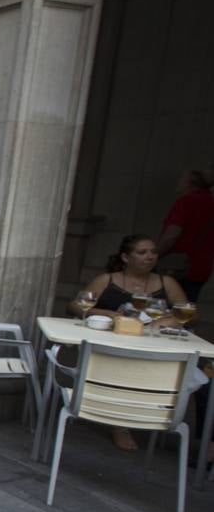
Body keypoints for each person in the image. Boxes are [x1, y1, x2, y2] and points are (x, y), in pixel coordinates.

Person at [69, 233, 191, 450]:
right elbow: (76, 306)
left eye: (153, 252)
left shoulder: (166, 282)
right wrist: (109, 314)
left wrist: (163, 321)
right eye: (142, 252)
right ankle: (119, 423)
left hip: (151, 344)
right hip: (111, 343)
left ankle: (140, 412)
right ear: (126, 257)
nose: (150, 257)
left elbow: (187, 312)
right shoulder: (107, 280)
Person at [157, 169, 214, 301]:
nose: (178, 183)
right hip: (201, 267)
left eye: (181, 180)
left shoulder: (185, 202)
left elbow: (171, 235)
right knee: (185, 308)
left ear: (190, 184)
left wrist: (155, 254)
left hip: (175, 266)